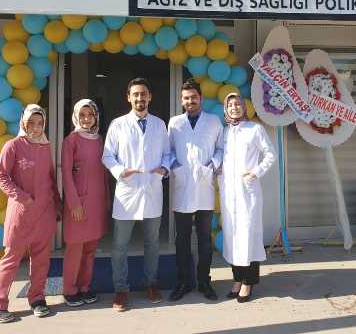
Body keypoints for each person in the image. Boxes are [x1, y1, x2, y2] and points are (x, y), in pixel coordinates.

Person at [102, 78, 171, 312]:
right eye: (135, 94)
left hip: (152, 188)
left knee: (152, 243)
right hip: (127, 193)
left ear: (149, 97)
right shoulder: (118, 124)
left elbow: (167, 154)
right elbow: (107, 156)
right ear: (128, 97)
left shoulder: (159, 124)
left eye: (143, 94)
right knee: (120, 245)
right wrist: (121, 171)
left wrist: (164, 168)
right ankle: (121, 289)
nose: (139, 98)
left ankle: (151, 284)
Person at [0, 104, 62, 323]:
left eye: (40, 123)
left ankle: (37, 299)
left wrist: (57, 204)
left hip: (44, 213)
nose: (35, 127)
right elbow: (1, 176)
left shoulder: (45, 147)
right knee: (11, 259)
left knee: (41, 260)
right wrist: (24, 198)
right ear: (23, 122)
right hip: (21, 213)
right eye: (31, 122)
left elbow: (50, 178)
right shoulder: (12, 146)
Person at [168, 79, 223, 301]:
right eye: (186, 98)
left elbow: (221, 148)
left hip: (204, 187)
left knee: (204, 239)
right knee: (181, 238)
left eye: (193, 97)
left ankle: (204, 282)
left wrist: (211, 166)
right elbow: (168, 151)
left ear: (201, 98)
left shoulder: (213, 121)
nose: (190, 101)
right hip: (182, 186)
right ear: (181, 100)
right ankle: (183, 282)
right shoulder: (175, 123)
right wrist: (176, 167)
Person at [219, 93, 275, 303]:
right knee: (232, 236)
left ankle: (248, 282)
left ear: (244, 107)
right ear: (226, 109)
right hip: (229, 193)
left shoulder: (255, 129)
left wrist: (256, 172)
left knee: (248, 236)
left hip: (247, 192)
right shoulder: (225, 132)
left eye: (237, 104)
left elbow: (271, 153)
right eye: (230, 105)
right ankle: (237, 278)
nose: (234, 107)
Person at [61, 99, 109, 307]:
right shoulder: (71, 141)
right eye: (82, 114)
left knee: (90, 249)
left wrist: (106, 199)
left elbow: (104, 172)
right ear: (75, 116)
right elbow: (66, 174)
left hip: (96, 202)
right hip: (79, 203)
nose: (87, 119)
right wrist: (74, 204)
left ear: (96, 116)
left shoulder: (99, 140)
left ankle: (84, 287)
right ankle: (69, 290)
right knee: (75, 249)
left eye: (90, 114)